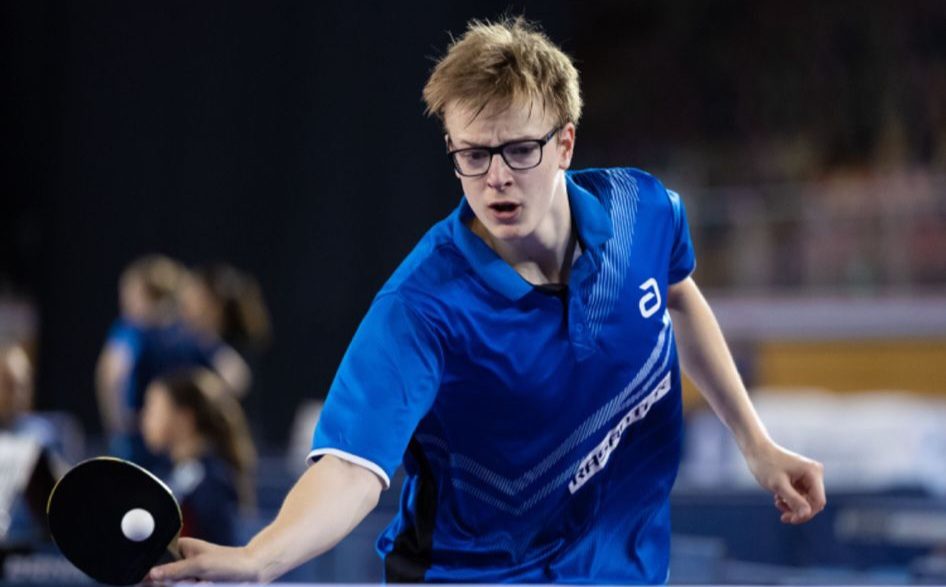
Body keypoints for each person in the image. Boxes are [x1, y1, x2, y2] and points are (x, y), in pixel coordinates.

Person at [149, 17, 826, 584]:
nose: (496, 177)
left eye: (519, 150)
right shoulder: (422, 307)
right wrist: (261, 558)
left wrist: (756, 443)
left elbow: (678, 295)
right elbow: (352, 469)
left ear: (564, 143)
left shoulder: (641, 211)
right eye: (472, 155)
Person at [95, 255, 251, 469]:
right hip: (180, 445)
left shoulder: (134, 330)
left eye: (130, 294)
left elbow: (112, 374)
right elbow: (236, 375)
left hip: (139, 446)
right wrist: (207, 413)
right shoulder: (190, 332)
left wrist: (119, 422)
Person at [140, 368, 257, 546]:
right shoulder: (173, 473)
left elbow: (224, 550)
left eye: (153, 408)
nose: (143, 417)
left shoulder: (211, 481)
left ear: (184, 418)